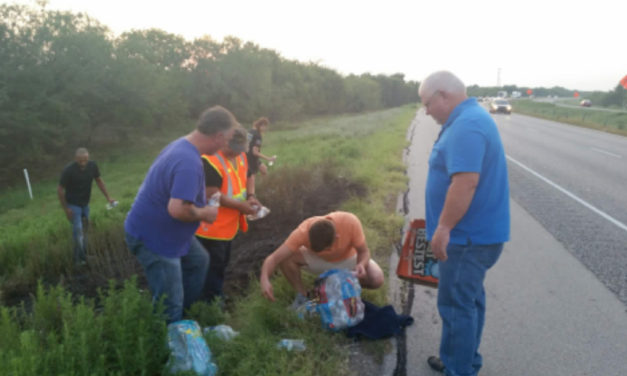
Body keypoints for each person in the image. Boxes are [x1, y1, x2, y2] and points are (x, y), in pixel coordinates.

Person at [418, 71, 510, 376]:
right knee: (469, 302)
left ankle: (459, 369)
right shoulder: (466, 120)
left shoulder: (467, 126)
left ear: (443, 95)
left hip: (466, 240)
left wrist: (443, 228)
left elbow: (465, 183)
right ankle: (462, 359)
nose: (426, 111)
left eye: (427, 103)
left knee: (457, 308)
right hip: (475, 237)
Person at [124, 105, 237, 323]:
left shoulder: (183, 146)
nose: (227, 145)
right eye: (228, 139)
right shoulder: (188, 162)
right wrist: (205, 214)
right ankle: (170, 340)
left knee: (198, 261)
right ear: (218, 136)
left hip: (167, 232)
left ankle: (186, 316)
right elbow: (177, 209)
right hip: (155, 238)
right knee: (169, 302)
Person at [195, 126, 261, 303]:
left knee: (221, 263)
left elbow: (249, 176)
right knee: (213, 266)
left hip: (228, 225)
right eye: (235, 150)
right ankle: (211, 302)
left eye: (241, 151)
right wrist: (241, 206)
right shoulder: (209, 161)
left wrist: (251, 196)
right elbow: (212, 194)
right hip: (211, 227)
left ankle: (214, 296)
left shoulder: (240, 155)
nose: (238, 154)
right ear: (225, 142)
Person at [260, 211, 384, 304]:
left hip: (349, 259)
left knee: (377, 279)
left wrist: (361, 264)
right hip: (319, 262)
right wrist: (264, 279)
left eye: (328, 248)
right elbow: (273, 258)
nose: (328, 251)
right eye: (322, 249)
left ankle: (340, 288)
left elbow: (364, 251)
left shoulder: (350, 222)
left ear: (337, 236)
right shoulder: (302, 232)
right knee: (286, 257)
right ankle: (303, 295)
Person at [57, 147, 115, 265]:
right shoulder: (69, 170)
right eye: (80, 160)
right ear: (76, 159)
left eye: (85, 160)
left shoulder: (92, 166)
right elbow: (60, 190)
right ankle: (78, 260)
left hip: (85, 204)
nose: (83, 163)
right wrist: (66, 209)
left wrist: (108, 197)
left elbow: (98, 180)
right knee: (78, 231)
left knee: (85, 230)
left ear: (88, 158)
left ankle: (83, 256)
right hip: (73, 204)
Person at [246, 117, 276, 196]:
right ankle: (252, 195)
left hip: (246, 156)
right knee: (252, 178)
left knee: (264, 170)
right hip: (251, 159)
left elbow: (246, 143)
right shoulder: (258, 136)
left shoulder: (250, 131)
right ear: (261, 125)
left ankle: (265, 188)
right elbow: (255, 152)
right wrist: (269, 158)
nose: (265, 129)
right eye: (265, 126)